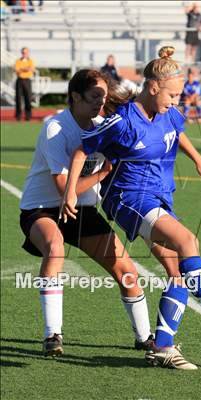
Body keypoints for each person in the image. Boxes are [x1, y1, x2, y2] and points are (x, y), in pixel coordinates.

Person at [63, 46, 201, 370]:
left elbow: (178, 133)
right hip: (128, 199)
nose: (177, 101)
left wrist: (200, 160)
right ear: (153, 87)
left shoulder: (168, 113)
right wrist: (70, 195)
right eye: (173, 94)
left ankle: (162, 345)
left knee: (178, 273)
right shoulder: (123, 121)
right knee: (188, 241)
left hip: (159, 198)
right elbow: (80, 151)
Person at [19, 69, 155, 357]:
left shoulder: (105, 125)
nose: (100, 102)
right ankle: (52, 335)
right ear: (75, 96)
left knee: (126, 269)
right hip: (42, 209)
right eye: (94, 96)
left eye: (104, 97)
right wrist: (104, 172)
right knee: (54, 249)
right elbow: (63, 189)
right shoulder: (56, 128)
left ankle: (145, 338)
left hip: (82, 209)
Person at [14, 47, 35, 121]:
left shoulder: (30, 61)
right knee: (18, 99)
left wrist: (22, 69)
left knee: (28, 98)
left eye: (25, 52)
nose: (24, 54)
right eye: (23, 52)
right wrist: (25, 69)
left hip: (27, 81)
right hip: (19, 80)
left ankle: (28, 116)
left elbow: (31, 69)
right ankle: (18, 116)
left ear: (28, 53)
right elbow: (17, 70)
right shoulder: (18, 61)